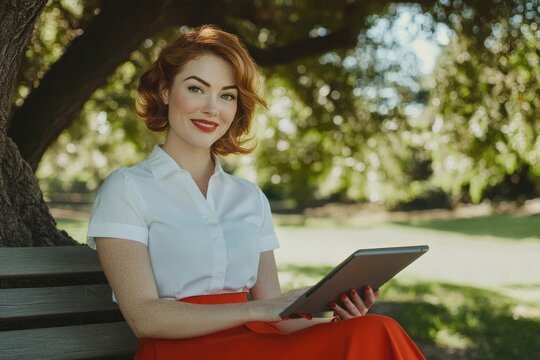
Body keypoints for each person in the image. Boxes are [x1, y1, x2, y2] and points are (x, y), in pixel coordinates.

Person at [87, 25, 425, 359]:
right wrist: (256, 311)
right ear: (164, 90)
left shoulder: (249, 198)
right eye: (196, 89)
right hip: (178, 351)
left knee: (375, 329)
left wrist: (339, 323)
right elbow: (145, 318)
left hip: (256, 344)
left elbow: (276, 320)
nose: (212, 108)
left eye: (227, 95)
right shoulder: (127, 189)